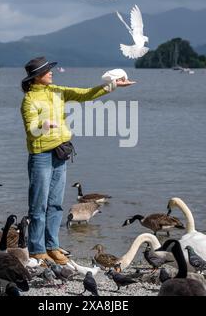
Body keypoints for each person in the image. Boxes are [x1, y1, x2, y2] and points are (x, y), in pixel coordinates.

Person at [20, 56, 135, 265]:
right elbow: (31, 130)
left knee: (55, 205)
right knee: (38, 206)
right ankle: (37, 250)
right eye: (47, 71)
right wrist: (43, 126)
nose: (51, 72)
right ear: (37, 77)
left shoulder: (58, 91)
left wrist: (112, 85)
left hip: (61, 153)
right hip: (41, 157)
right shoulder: (29, 100)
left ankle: (52, 247)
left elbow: (86, 94)